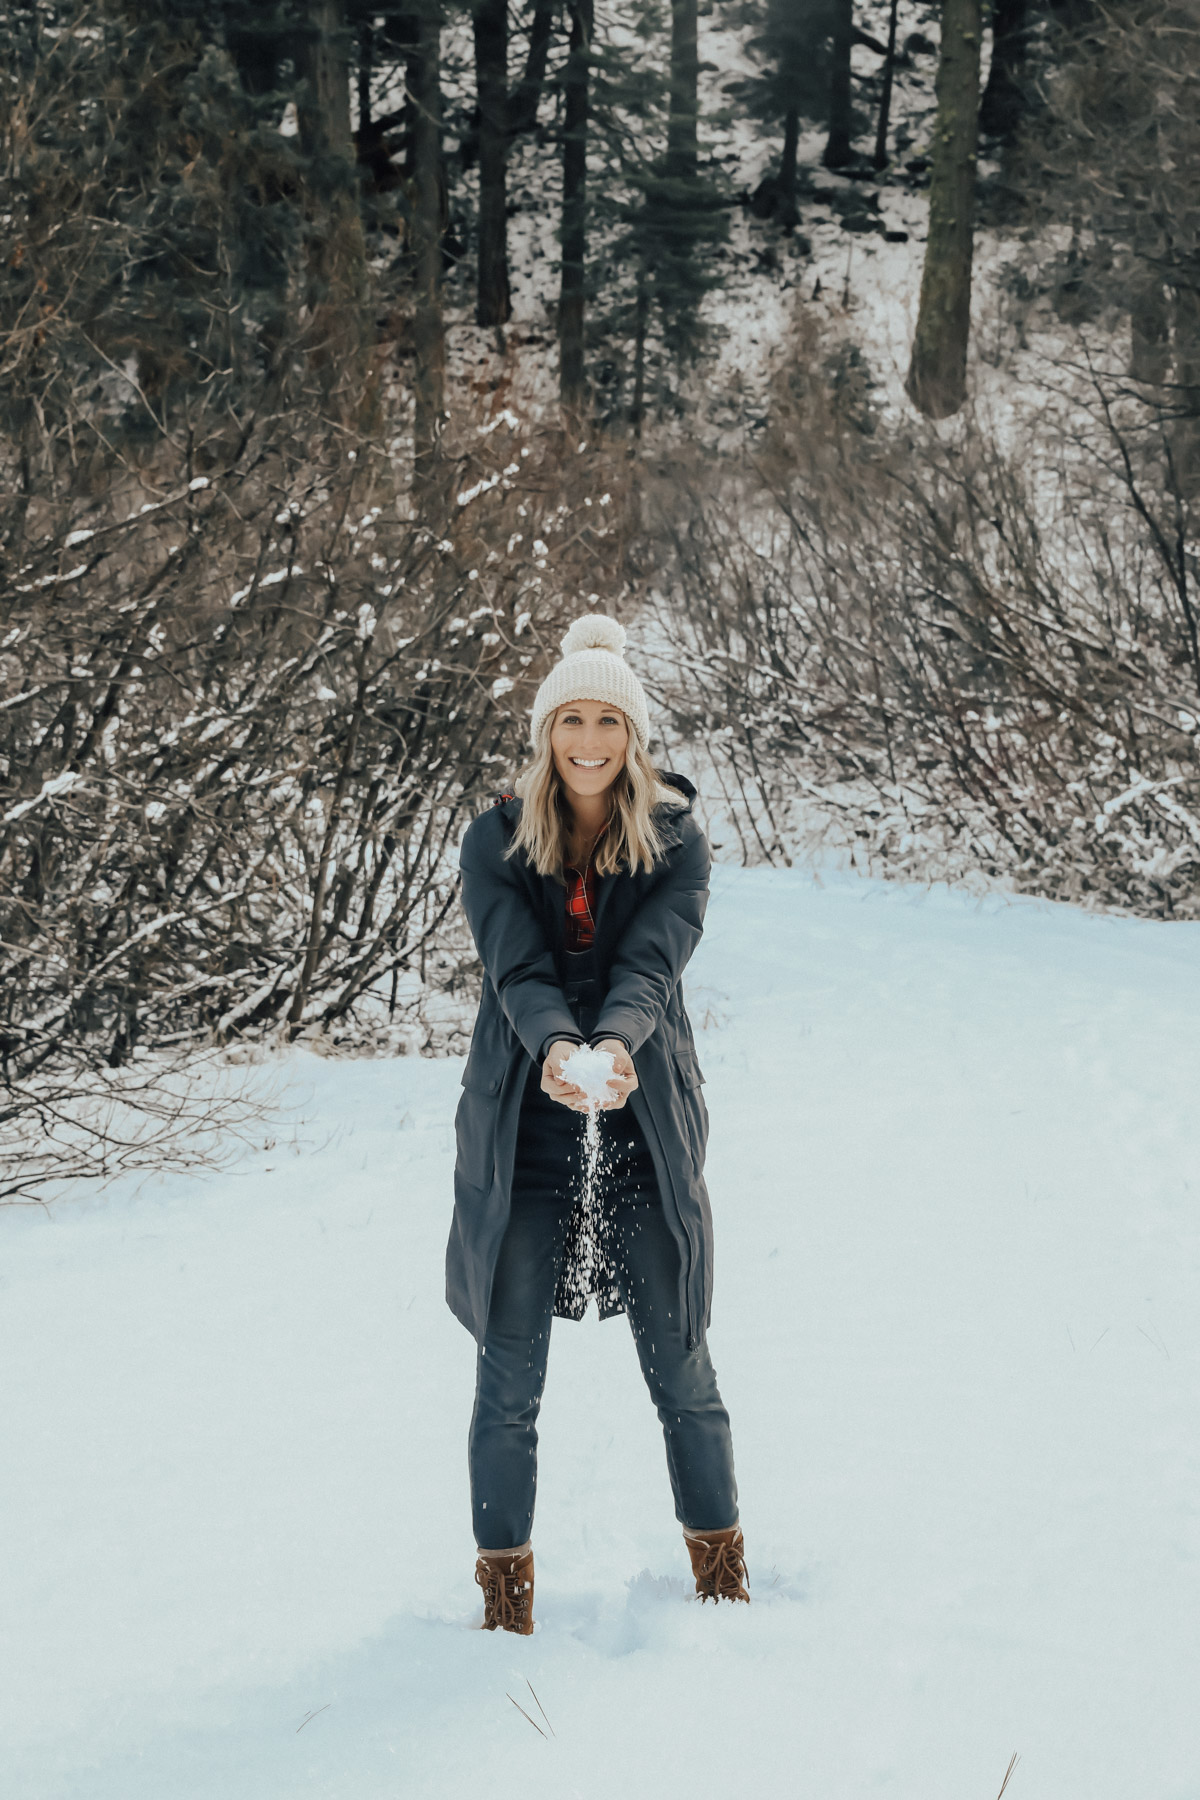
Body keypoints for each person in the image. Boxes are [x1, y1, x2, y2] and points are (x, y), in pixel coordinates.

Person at [446, 614, 747, 1634]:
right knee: (509, 1376)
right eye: (569, 719)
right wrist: (555, 1052)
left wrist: (616, 1045)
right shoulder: (493, 840)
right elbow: (515, 968)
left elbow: (651, 965)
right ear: (544, 732)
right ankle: (504, 1609)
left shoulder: (675, 840)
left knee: (684, 1370)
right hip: (523, 1140)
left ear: (633, 734)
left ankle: (723, 1583)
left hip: (643, 1130)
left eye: (606, 720)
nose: (587, 739)